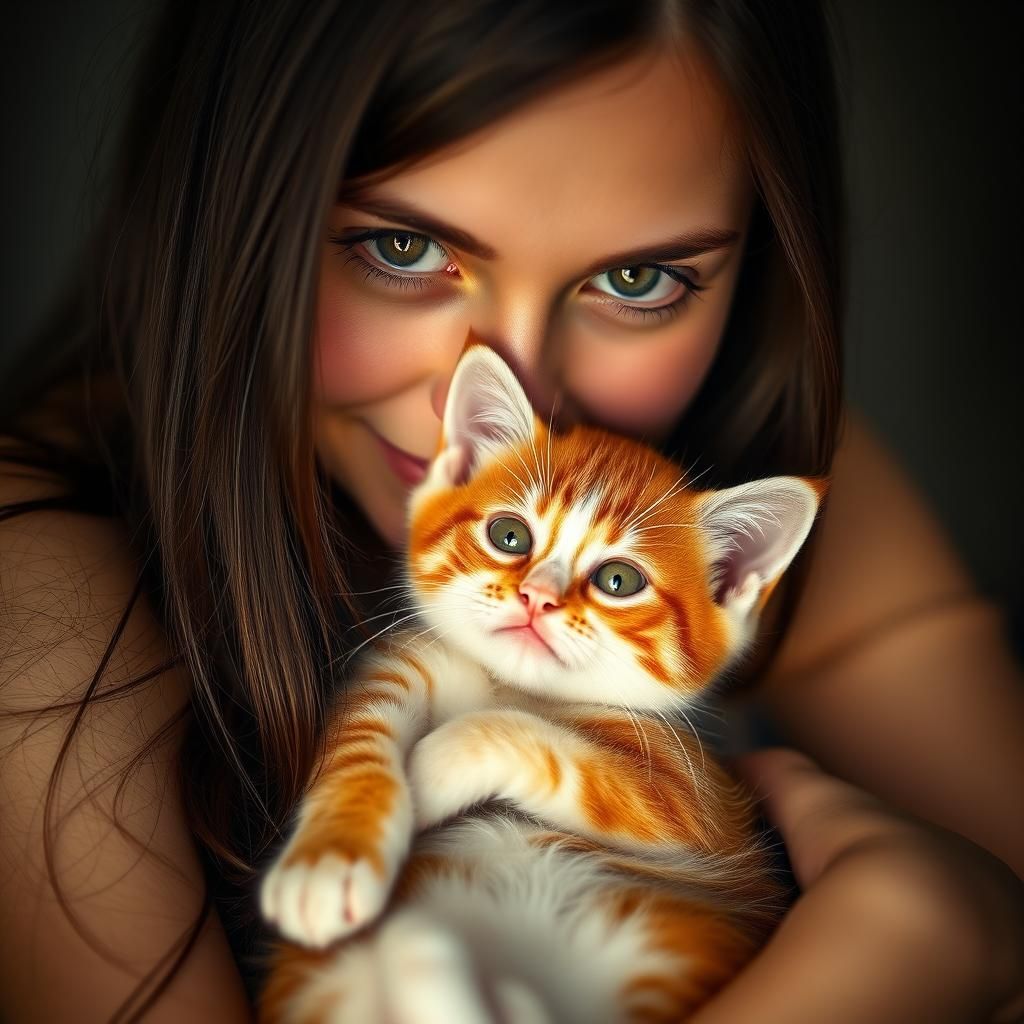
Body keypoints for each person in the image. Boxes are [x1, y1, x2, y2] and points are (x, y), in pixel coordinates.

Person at [1, 2, 1022, 1022]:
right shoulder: (39, 595)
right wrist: (901, 954)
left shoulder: (751, 483)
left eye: (639, 278)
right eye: (401, 248)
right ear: (225, 210)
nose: (513, 390)